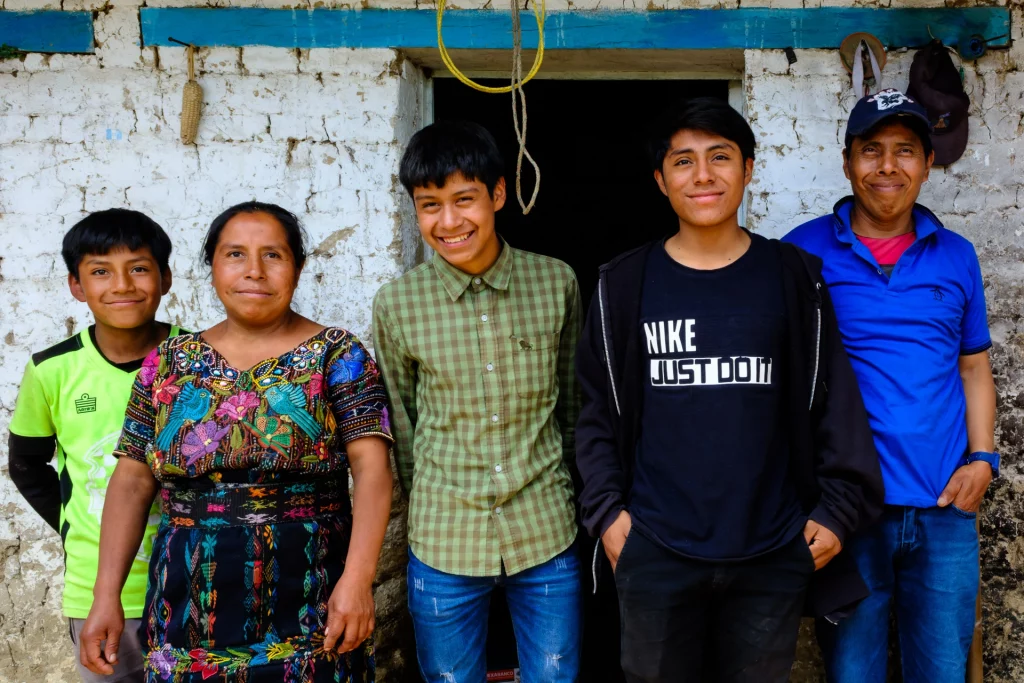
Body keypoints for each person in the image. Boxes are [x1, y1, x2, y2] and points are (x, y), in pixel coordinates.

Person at [574, 97, 885, 683]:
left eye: (719, 157)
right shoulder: (624, 284)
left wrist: (837, 512)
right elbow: (596, 413)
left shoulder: (793, 276)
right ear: (660, 179)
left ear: (748, 169)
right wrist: (607, 514)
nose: (703, 175)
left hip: (771, 548)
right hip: (655, 547)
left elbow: (834, 401)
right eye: (683, 161)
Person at [78, 202, 395, 683]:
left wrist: (358, 581)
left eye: (273, 255)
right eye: (235, 255)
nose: (254, 271)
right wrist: (106, 596)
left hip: (312, 591)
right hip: (188, 594)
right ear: (212, 267)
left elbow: (372, 470)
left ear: (298, 268)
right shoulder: (168, 363)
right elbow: (132, 481)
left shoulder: (338, 355)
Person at [784, 89, 997, 683]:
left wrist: (983, 460)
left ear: (928, 164)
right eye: (871, 150)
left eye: (905, 151)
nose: (887, 166)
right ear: (847, 161)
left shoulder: (957, 256)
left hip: (944, 506)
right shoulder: (801, 251)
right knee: (853, 672)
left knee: (942, 671)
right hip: (847, 511)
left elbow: (973, 367)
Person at [372, 120, 582, 683]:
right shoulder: (397, 304)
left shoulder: (556, 283)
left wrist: (566, 488)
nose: (448, 222)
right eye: (429, 205)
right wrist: (431, 497)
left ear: (498, 194)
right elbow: (403, 425)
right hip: (443, 537)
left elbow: (571, 407)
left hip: (545, 529)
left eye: (464, 199)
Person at [7, 209, 181, 682]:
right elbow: (26, 465)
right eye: (101, 271)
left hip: (195, 577)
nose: (122, 285)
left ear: (165, 278)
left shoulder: (201, 360)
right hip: (99, 593)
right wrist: (77, 528)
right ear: (76, 286)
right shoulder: (52, 370)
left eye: (138, 268)